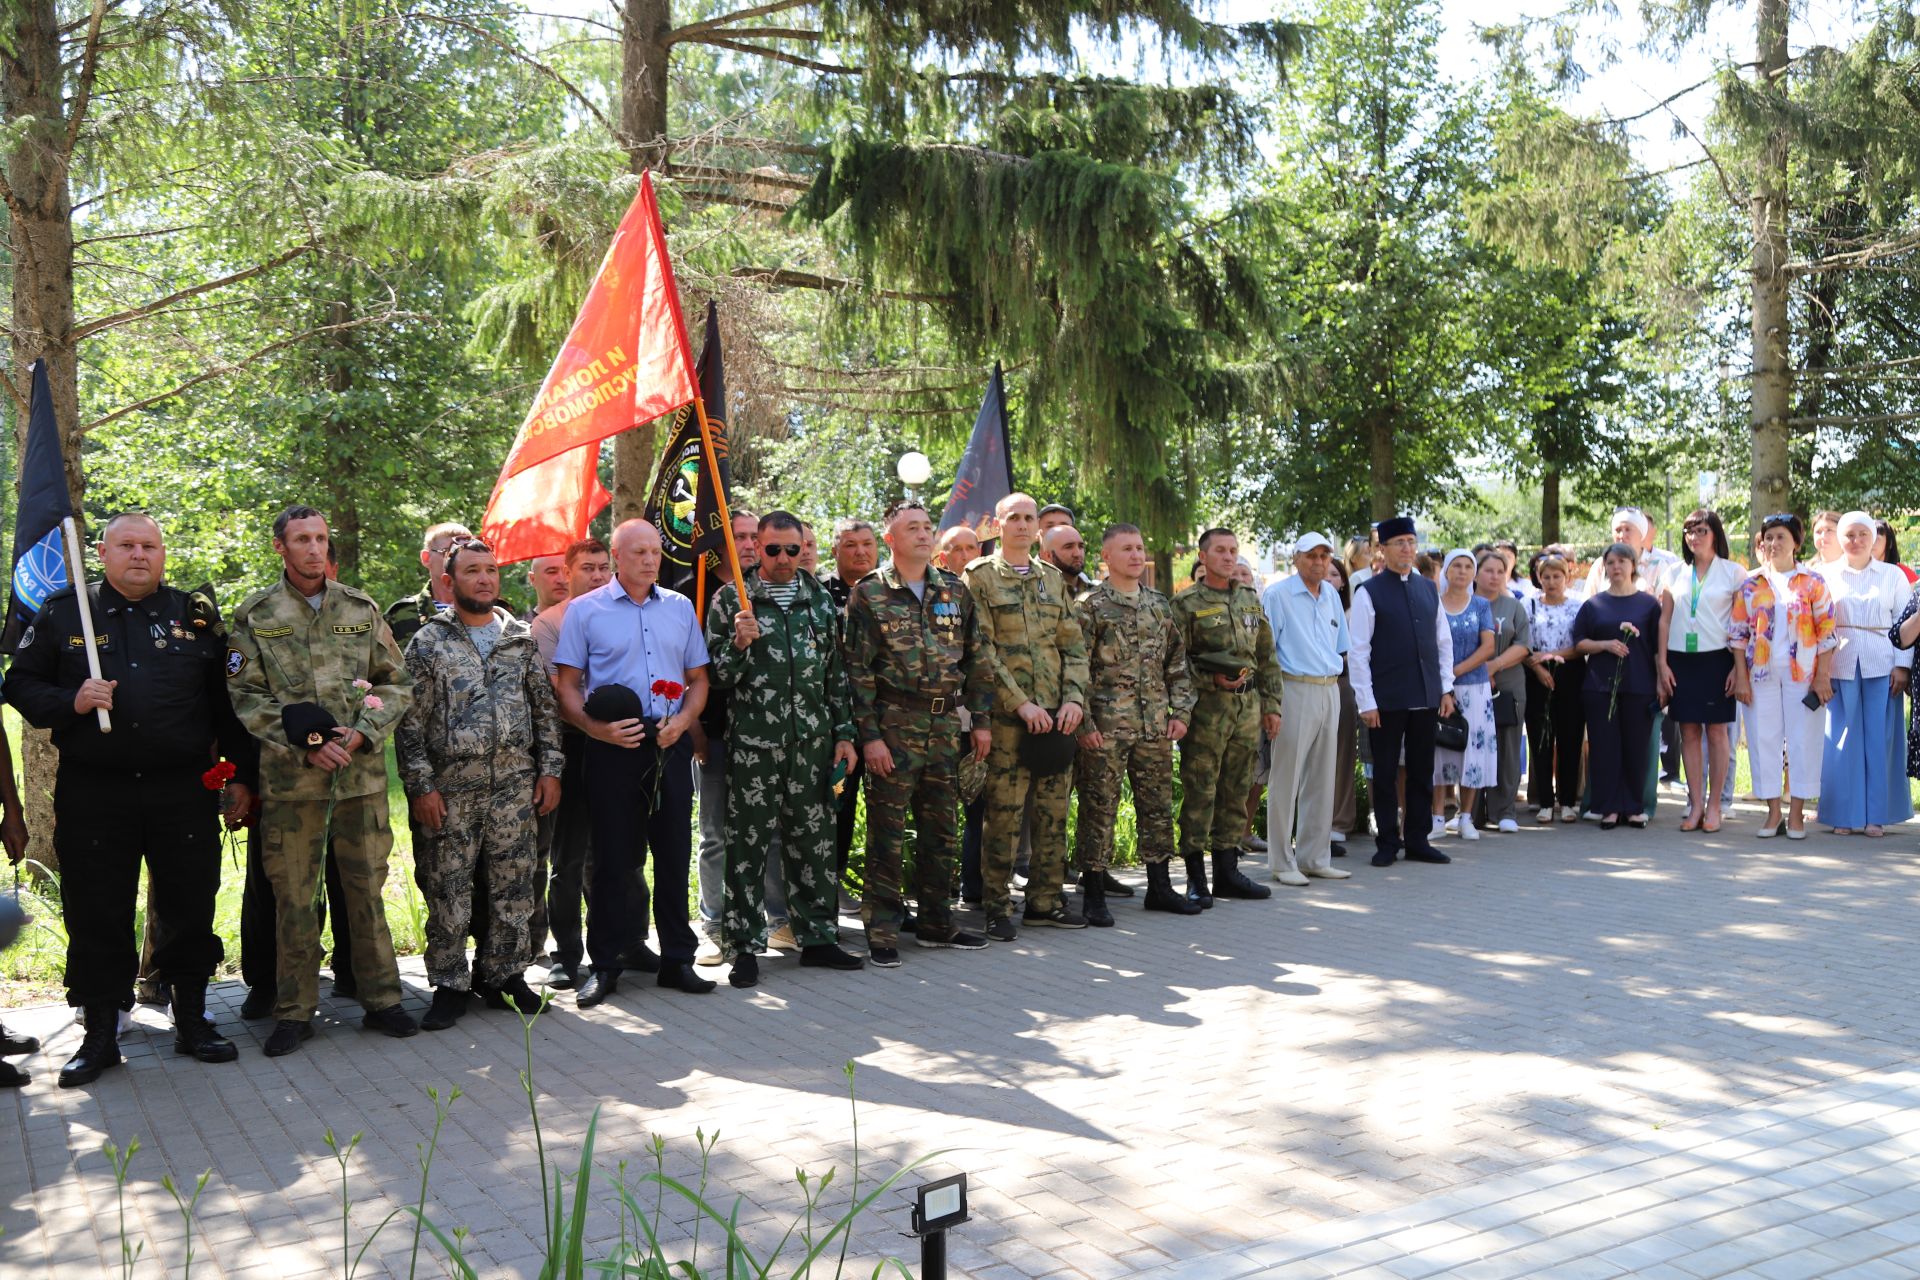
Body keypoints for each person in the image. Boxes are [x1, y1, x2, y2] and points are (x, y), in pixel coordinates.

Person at [3, 513, 254, 1085]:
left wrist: (237, 776)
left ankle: (191, 1018)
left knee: (190, 901)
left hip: (182, 788)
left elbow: (227, 706)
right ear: (102, 551)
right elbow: (19, 683)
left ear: (162, 554)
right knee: (97, 909)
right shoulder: (68, 613)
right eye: (127, 545)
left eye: (149, 546)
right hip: (97, 790)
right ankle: (99, 1033)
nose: (139, 555)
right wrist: (73, 698)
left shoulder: (193, 616)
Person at [226, 505, 417, 1055]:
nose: (314, 548)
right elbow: (246, 696)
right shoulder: (256, 615)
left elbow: (396, 682)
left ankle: (383, 1000)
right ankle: (293, 1011)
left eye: (321, 539)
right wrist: (304, 744)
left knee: (367, 893)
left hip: (360, 781)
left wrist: (361, 733)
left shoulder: (360, 607)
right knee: (295, 899)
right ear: (279, 547)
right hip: (292, 786)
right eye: (302, 539)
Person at [397, 538, 564, 1029]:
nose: (485, 579)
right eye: (473, 571)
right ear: (450, 581)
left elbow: (545, 711)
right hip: (451, 789)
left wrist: (551, 770)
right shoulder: (428, 643)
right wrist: (421, 786)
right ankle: (449, 984)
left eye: (491, 570)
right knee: (448, 887)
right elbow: (407, 724)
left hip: (514, 786)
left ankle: (504, 977)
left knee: (514, 885)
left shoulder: (519, 638)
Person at [554, 519, 715, 1004]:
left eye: (655, 552)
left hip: (668, 741)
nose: (650, 560)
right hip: (612, 745)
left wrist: (684, 721)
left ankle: (677, 960)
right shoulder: (585, 611)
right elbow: (566, 685)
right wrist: (596, 729)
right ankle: (605, 965)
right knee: (613, 860)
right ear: (617, 557)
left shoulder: (681, 607)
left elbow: (699, 680)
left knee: (672, 854)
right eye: (639, 552)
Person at [704, 511, 864, 987]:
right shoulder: (732, 597)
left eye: (792, 550)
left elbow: (835, 674)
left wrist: (844, 734)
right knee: (747, 849)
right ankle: (745, 946)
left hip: (812, 744)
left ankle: (818, 938)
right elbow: (715, 676)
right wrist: (737, 643)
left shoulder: (817, 597)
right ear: (757, 547)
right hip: (755, 745)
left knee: (814, 844)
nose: (782, 559)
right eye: (772, 549)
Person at [845, 500, 995, 963]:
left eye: (928, 527)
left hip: (946, 727)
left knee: (941, 830)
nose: (924, 534)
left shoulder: (953, 590)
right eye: (912, 528)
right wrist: (869, 736)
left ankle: (936, 921)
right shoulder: (869, 594)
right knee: (887, 834)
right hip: (893, 727)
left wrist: (982, 722)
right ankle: (883, 932)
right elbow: (856, 672)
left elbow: (977, 660)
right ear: (891, 539)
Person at [963, 492, 1091, 937]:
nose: (1021, 525)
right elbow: (982, 650)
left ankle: (1045, 901)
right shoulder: (978, 577)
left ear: (1038, 527)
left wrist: (1073, 699)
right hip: (1009, 720)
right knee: (1003, 815)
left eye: (1028, 518)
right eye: (1012, 517)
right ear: (997, 525)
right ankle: (997, 907)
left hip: (1057, 718)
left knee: (1053, 812)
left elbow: (1073, 644)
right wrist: (1020, 703)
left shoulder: (1053, 579)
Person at [1072, 524, 1202, 919]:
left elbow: (1177, 664)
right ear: (1105, 557)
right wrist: (1085, 725)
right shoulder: (1089, 606)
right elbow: (1076, 670)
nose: (1134, 555)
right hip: (1106, 729)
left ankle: (1159, 887)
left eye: (1139, 548)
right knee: (1099, 808)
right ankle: (1093, 891)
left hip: (1154, 728)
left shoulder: (1159, 605)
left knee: (1157, 807)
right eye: (1125, 548)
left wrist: (1180, 712)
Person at [694, 510, 792, 967]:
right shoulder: (691, 591)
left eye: (758, 537)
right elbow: (689, 673)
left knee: (769, 830)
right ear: (720, 541)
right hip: (713, 733)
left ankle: (777, 921)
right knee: (715, 833)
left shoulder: (770, 590)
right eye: (740, 536)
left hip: (766, 737)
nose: (751, 544)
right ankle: (714, 923)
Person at [1172, 528, 1281, 902]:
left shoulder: (1250, 598)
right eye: (1220, 550)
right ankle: (1195, 877)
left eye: (1233, 550)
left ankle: (1228, 872)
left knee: (1236, 791)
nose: (1228, 557)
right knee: (1201, 791)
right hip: (1207, 711)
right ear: (1203, 557)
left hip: (1247, 710)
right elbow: (1174, 662)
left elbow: (1266, 657)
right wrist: (1208, 679)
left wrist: (1272, 706)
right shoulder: (1186, 603)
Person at [528, 537, 617, 988]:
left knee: (617, 857)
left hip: (620, 746)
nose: (598, 576)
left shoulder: (627, 614)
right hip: (571, 748)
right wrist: (595, 726)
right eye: (587, 568)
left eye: (604, 567)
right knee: (569, 858)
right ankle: (566, 953)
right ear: (567, 572)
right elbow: (554, 697)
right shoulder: (548, 624)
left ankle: (620, 944)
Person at [1351, 516, 1456, 867]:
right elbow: (1359, 651)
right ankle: (1387, 841)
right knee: (1383, 773)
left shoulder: (1428, 589)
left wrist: (1446, 689)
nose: (1408, 549)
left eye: (1412, 542)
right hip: (1386, 700)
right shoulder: (1369, 592)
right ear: (1383, 549)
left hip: (1426, 696)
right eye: (1400, 543)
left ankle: (1417, 839)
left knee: (1422, 770)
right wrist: (1366, 701)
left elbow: (1443, 642)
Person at [1731, 513, 1836, 839]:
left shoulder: (1813, 582)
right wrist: (1742, 677)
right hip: (1760, 674)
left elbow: (1827, 633)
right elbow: (1737, 635)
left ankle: (1797, 814)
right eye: (1768, 538)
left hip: (1802, 675)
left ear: (1796, 542)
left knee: (1803, 740)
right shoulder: (1750, 584)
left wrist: (1822, 676)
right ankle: (1773, 812)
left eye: (1780, 537)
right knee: (1765, 741)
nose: (1773, 543)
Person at [1260, 533, 1352, 885]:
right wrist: (1271, 702)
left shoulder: (1330, 594)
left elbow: (1340, 646)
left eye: (1324, 556)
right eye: (1311, 556)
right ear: (1296, 559)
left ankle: (1314, 857)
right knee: (1286, 777)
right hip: (1294, 687)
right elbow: (1267, 653)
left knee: (1322, 778)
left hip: (1329, 688)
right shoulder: (1278, 595)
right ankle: (1282, 863)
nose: (1318, 562)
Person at [1816, 511, 1913, 836]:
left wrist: (1902, 664)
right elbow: (1818, 623)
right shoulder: (1826, 574)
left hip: (1882, 663)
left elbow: (1905, 620)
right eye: (1849, 535)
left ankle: (1876, 815)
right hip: (1840, 663)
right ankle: (1843, 814)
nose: (1855, 541)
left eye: (1862, 534)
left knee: (1879, 739)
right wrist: (1821, 669)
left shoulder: (1892, 576)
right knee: (1841, 739)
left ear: (1874, 538)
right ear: (1840, 539)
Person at [1656, 509, 1743, 833]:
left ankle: (1716, 806)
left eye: (1701, 530)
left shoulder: (1734, 573)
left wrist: (1738, 667)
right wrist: (1662, 663)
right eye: (1688, 531)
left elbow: (1740, 624)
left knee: (1717, 733)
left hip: (1717, 658)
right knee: (1688, 732)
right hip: (1680, 659)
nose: (1694, 537)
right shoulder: (1674, 573)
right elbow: (1664, 620)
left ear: (1715, 534)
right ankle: (1694, 804)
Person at [1572, 543, 1664, 829]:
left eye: (1623, 561)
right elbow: (1579, 642)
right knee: (1604, 748)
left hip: (1639, 685)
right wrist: (1605, 645)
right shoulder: (1594, 605)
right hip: (1600, 688)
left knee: (1636, 748)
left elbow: (1658, 649)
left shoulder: (1649, 604)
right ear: (1605, 567)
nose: (1617, 567)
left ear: (1633, 566)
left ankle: (1634, 807)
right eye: (1611, 562)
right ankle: (1608, 807)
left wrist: (1662, 681)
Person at [825, 517, 880, 908]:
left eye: (866, 544)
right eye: (850, 545)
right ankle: (831, 878)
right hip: (838, 727)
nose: (860, 551)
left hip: (884, 724)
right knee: (837, 801)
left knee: (883, 808)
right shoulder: (820, 593)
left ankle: (883, 889)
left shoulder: (887, 591)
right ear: (835, 551)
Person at [939, 525, 989, 905]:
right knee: (939, 814)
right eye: (956, 549)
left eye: (972, 547)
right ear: (943, 558)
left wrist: (979, 720)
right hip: (935, 724)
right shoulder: (936, 596)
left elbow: (980, 664)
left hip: (975, 721)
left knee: (979, 808)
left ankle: (973, 889)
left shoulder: (983, 594)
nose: (965, 555)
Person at [1431, 551, 1496, 841]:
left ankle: (1466, 817)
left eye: (1468, 566)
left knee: (1473, 751)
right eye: (1456, 565)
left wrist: (1454, 670)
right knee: (1439, 750)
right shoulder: (1435, 605)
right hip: (1440, 689)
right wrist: (1445, 678)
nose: (1462, 571)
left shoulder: (1481, 605)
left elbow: (1487, 647)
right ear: (1446, 571)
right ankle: (1436, 817)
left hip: (1474, 688)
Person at [1522, 551, 1585, 824]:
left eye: (1556, 576)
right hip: (1536, 675)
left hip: (1570, 672)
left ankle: (1568, 801)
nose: (1551, 581)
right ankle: (1545, 802)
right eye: (1545, 576)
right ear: (1538, 578)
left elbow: (1581, 644)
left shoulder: (1578, 606)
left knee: (1570, 738)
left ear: (1567, 577)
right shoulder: (1528, 605)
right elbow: (1521, 643)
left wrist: (1553, 656)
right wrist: (1537, 667)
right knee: (1541, 738)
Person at [1471, 550, 1530, 833]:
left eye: (1500, 571)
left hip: (1508, 685)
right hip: (1469, 684)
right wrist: (1480, 669)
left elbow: (1523, 644)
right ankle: (1470, 811)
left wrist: (1493, 666)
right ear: (1476, 573)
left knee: (1507, 746)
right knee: (1473, 744)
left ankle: (1504, 810)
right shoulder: (1465, 604)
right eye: (1488, 570)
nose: (1494, 577)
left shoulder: (1513, 607)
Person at [1325, 559, 1364, 852]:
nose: (1328, 577)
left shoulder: (1352, 613)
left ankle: (1339, 821)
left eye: (1334, 573)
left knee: (1342, 756)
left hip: (1341, 684)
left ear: (1343, 582)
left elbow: (1358, 652)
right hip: (1306, 686)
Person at [385, 521, 472, 647]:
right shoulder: (399, 616)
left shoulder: (494, 612)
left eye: (467, 552)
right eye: (449, 552)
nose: (459, 560)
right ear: (426, 558)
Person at [1041, 524, 1095, 593]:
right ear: (1048, 555)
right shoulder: (1035, 593)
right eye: (1068, 547)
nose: (1077, 554)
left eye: (1081, 546)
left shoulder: (1095, 593)